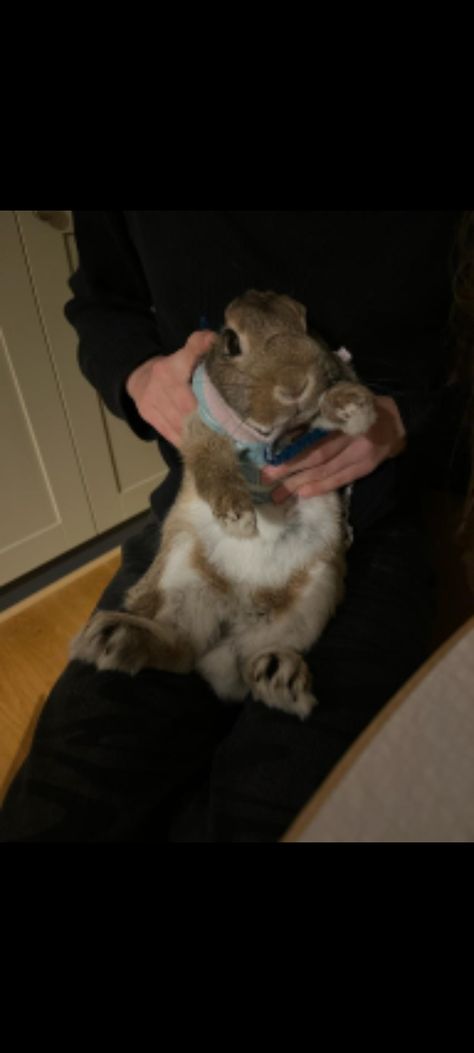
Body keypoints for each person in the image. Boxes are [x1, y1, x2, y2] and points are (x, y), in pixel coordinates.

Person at [0, 211, 468, 842]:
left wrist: (404, 420)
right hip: (204, 516)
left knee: (290, 805)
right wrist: (139, 375)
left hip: (365, 523)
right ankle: (169, 646)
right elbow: (101, 302)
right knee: (61, 800)